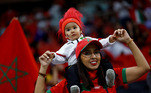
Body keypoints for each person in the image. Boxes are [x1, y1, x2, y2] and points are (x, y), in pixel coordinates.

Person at [35, 29, 150, 93]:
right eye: (87, 53)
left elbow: (144, 68)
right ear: (78, 59)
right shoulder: (69, 84)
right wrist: (43, 68)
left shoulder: (110, 75)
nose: (93, 56)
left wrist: (128, 40)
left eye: (96, 52)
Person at [43, 7, 117, 92]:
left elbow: (101, 42)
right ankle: (75, 88)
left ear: (81, 30)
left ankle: (109, 76)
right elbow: (60, 56)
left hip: (89, 64)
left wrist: (110, 39)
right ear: (66, 35)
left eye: (74, 27)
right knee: (70, 71)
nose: (72, 31)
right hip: (76, 66)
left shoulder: (87, 39)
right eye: (68, 30)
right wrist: (53, 56)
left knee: (104, 62)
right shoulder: (67, 46)